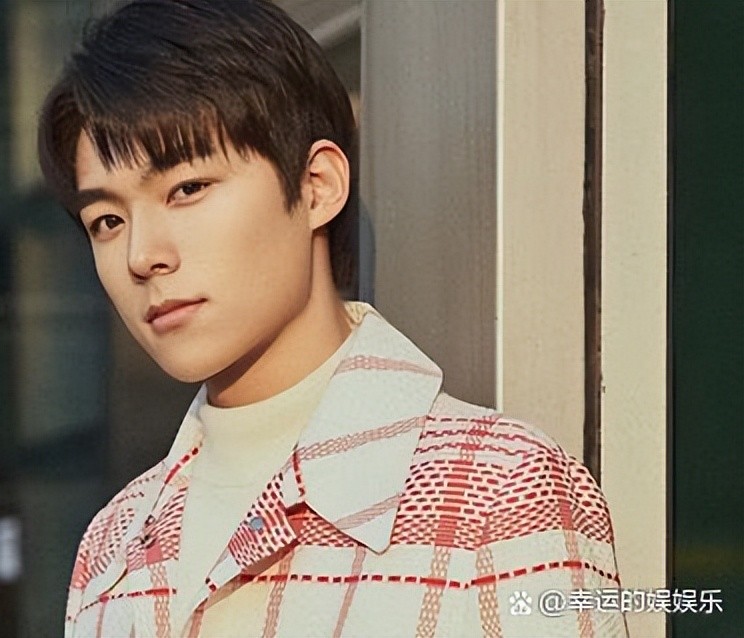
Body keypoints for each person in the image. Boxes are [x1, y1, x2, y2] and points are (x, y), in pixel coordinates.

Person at [38, 1, 625, 636]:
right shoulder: (113, 542)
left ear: (316, 185)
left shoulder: (500, 490)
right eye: (107, 220)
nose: (142, 255)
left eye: (187, 190)